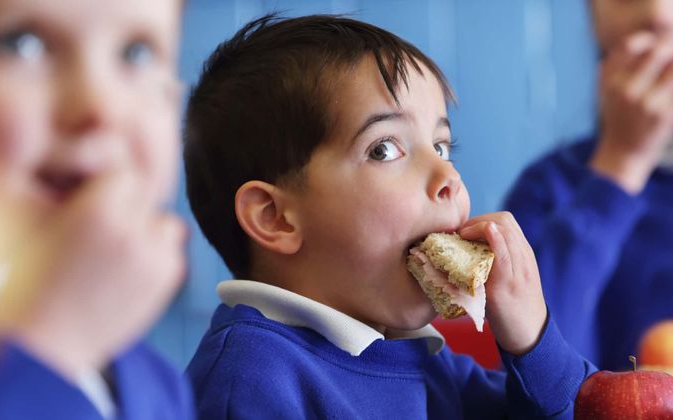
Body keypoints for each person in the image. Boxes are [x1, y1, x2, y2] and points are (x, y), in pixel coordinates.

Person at [183, 14, 596, 419]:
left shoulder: (424, 360)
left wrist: (532, 341)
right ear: (275, 218)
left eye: (441, 147)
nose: (448, 176)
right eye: (384, 149)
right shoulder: (247, 382)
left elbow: (587, 411)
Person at [503, 0, 673, 370]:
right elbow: (532, 381)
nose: (659, 13)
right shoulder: (550, 190)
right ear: (594, 17)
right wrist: (620, 166)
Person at [0, 0, 194, 418]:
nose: (99, 107)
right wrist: (54, 345)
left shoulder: (156, 380)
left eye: (136, 53)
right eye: (21, 44)